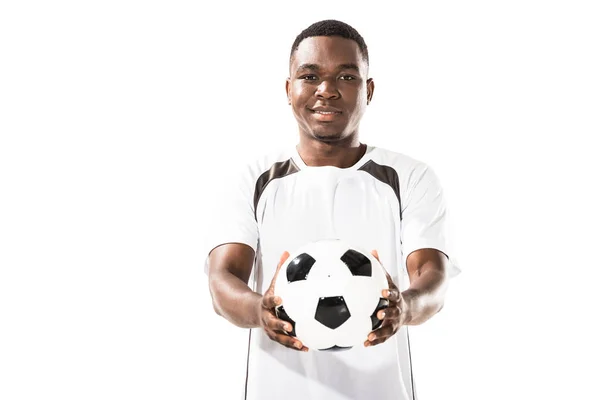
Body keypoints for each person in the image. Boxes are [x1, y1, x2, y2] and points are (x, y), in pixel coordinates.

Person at [205, 19, 460, 400]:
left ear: (368, 89)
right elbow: (221, 279)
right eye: (309, 76)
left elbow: (432, 279)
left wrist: (403, 308)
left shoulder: (409, 177)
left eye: (346, 77)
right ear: (289, 89)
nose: (327, 91)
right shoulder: (254, 178)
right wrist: (261, 310)